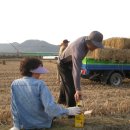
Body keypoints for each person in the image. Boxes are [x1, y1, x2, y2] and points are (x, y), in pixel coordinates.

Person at [10, 58, 81, 130]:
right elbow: (50, 108)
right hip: (41, 123)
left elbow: (14, 108)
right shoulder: (40, 84)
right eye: (39, 71)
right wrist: (68, 111)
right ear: (33, 71)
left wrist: (16, 125)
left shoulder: (14, 84)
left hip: (24, 125)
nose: (40, 74)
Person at [57, 31, 104, 107]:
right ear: (90, 42)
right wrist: (78, 89)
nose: (96, 48)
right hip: (63, 64)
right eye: (95, 45)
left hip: (70, 62)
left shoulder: (87, 41)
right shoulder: (78, 49)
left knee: (66, 82)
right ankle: (71, 112)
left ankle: (61, 101)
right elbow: (76, 71)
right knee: (71, 88)